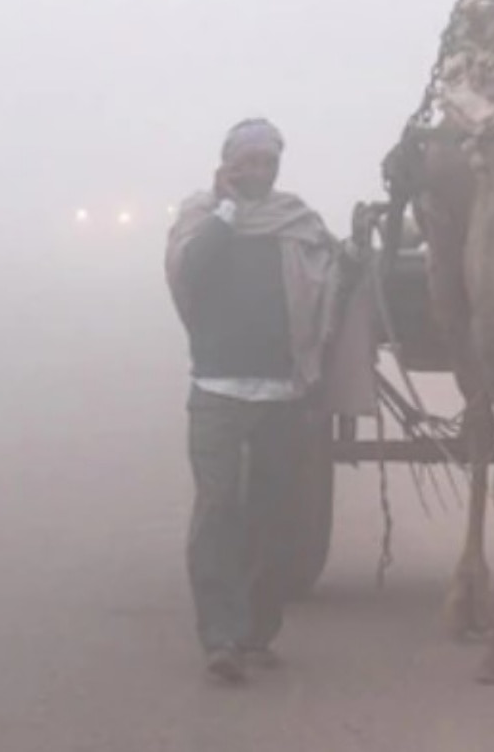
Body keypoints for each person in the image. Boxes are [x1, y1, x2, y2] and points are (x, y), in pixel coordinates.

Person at [165, 118, 343, 684]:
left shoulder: (297, 223)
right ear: (228, 164)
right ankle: (219, 636)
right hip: (217, 391)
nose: (260, 172)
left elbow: (330, 280)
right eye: (249, 162)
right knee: (217, 509)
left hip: (282, 393)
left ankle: (255, 632)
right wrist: (227, 207)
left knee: (274, 516)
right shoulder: (201, 220)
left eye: (268, 162)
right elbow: (192, 271)